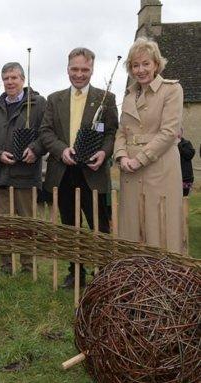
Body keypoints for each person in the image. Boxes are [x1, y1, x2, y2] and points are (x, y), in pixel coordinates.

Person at [39, 47, 118, 288]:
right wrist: (62, 150)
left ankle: (104, 272)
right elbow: (45, 132)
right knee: (69, 226)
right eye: (75, 69)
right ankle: (76, 273)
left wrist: (104, 153)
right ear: (67, 69)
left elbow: (113, 133)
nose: (80, 74)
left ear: (92, 69)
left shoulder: (107, 98)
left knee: (99, 226)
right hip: (64, 172)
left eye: (85, 69)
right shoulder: (54, 99)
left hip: (93, 173)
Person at [114, 37, 184, 253]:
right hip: (130, 171)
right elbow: (121, 132)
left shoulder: (171, 90)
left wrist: (140, 159)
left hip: (160, 167)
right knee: (131, 227)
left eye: (146, 64)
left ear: (156, 64)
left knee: (161, 225)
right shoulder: (128, 95)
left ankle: (165, 277)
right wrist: (122, 156)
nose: (140, 70)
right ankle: (134, 277)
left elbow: (169, 132)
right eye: (135, 65)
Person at [0, 62, 46, 274]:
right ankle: (5, 266)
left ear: (23, 79)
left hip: (26, 176)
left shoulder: (38, 104)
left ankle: (28, 266)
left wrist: (35, 149)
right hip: (1, 175)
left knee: (26, 225)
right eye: (6, 79)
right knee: (3, 225)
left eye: (14, 78)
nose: (10, 82)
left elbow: (45, 133)